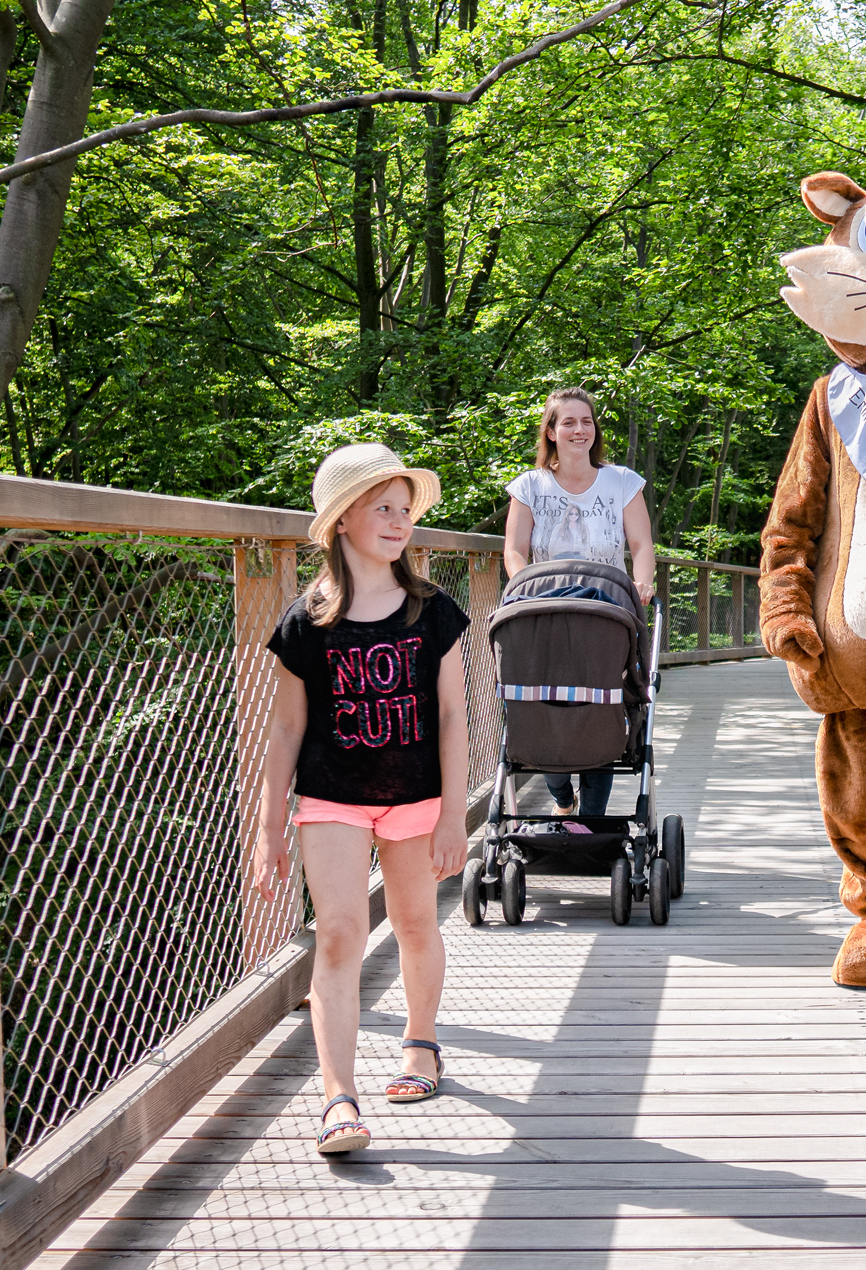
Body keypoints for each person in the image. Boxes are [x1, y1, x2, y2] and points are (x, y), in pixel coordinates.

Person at [253, 443, 470, 1154]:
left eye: (405, 509)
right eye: (382, 506)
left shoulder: (433, 611)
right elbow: (286, 727)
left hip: (415, 796)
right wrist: (269, 828)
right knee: (341, 932)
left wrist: (451, 814)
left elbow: (451, 716)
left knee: (413, 923)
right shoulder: (307, 618)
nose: (398, 520)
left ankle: (421, 1044)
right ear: (342, 520)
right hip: (331, 796)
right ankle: (337, 1097)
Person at [505, 387, 657, 820]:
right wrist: (522, 586)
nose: (578, 429)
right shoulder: (529, 487)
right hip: (546, 612)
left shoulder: (622, 482)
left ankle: (591, 820)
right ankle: (562, 797)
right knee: (541, 698)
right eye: (567, 422)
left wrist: (641, 584)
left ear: (595, 430)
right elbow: (514, 551)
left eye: (586, 421)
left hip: (605, 612)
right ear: (551, 432)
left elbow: (641, 543)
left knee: (601, 703)